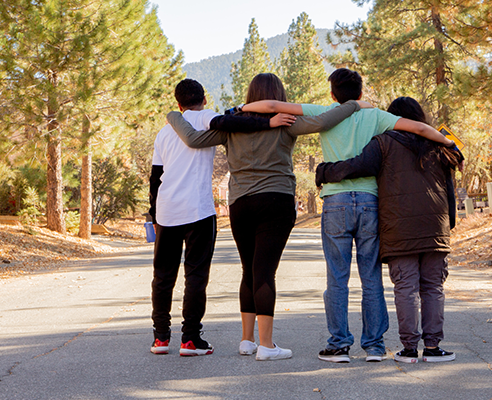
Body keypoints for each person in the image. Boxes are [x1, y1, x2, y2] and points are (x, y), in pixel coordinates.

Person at [238, 68, 454, 363]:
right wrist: (448, 143)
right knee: (371, 277)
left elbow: (272, 107)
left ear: (332, 94)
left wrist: (241, 108)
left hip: (335, 202)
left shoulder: (326, 112)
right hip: (369, 202)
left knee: (337, 278)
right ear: (361, 93)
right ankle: (375, 346)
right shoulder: (377, 116)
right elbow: (417, 128)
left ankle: (339, 345)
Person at [166, 73, 364, 361]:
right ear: (277, 95)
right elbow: (324, 121)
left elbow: (193, 139)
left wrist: (174, 115)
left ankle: (247, 340)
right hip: (276, 200)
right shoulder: (285, 120)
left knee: (249, 270)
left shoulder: (233, 124)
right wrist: (354, 106)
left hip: (240, 203)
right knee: (265, 272)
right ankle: (267, 346)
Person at [148, 78, 295, 356]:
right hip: (198, 210)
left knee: (163, 276)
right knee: (196, 275)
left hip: (166, 210)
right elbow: (237, 124)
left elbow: (155, 178)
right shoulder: (207, 117)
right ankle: (190, 340)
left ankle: (160, 338)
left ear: (178, 104)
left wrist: (153, 213)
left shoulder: (164, 132)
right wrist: (269, 123)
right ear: (204, 99)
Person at [315, 96, 463, 363]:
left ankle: (408, 350)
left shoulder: (383, 143)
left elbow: (355, 167)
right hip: (435, 228)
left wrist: (324, 172)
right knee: (433, 287)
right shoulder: (439, 145)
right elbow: (449, 189)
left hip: (399, 228)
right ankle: (432, 348)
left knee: (405, 287)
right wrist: (448, 223)